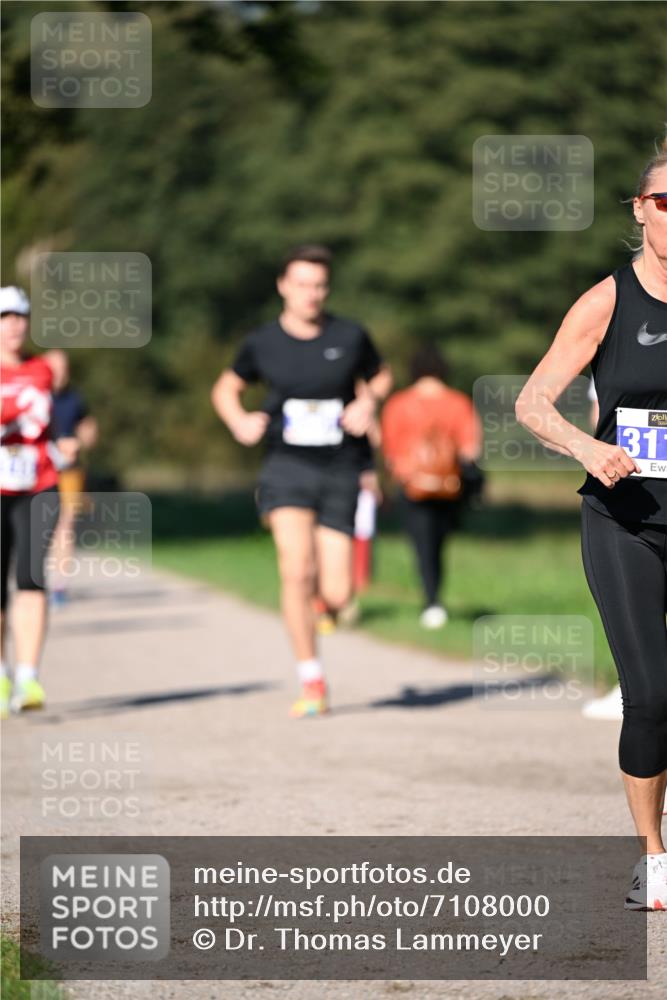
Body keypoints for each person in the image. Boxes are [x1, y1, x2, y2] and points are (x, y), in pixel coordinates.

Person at [516, 142, 667, 910]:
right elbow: (532, 401)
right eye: (664, 201)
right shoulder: (607, 300)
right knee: (650, 696)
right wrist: (585, 445)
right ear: (639, 210)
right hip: (625, 519)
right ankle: (653, 856)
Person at [211, 245, 392, 716]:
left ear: (326, 289)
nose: (311, 294)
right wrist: (238, 421)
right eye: (302, 284)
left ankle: (323, 609)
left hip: (340, 467)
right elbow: (226, 388)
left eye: (319, 285)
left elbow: (382, 375)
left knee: (337, 591)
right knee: (295, 570)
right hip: (286, 466)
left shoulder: (350, 335)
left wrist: (367, 401)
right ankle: (311, 679)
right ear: (283, 286)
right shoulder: (262, 342)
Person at [381, 345, 482, 629]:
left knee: (421, 544)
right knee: (438, 542)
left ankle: (431, 599)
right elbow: (470, 448)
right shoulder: (458, 402)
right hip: (450, 487)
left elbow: (390, 453)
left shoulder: (398, 404)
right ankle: (435, 597)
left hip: (412, 486)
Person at [0, 287, 60, 716]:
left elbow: (45, 414)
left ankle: (28, 677)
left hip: (38, 485)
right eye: (5, 316)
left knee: (32, 579)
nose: (15, 324)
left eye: (21, 316)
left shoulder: (42, 370)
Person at [581, 375, 624, 722]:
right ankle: (630, 686)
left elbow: (598, 416)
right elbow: (601, 417)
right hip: (624, 500)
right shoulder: (618, 328)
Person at [44, 349, 98, 605]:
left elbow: (87, 427)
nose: (60, 374)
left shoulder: (74, 398)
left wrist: (83, 439)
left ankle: (59, 586)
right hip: (36, 470)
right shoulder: (32, 394)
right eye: (55, 368)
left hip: (68, 470)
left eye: (64, 368)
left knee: (65, 526)